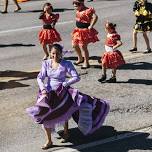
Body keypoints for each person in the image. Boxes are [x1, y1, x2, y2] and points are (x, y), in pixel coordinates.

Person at [26, 43, 110, 150]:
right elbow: (39, 78)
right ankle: (49, 140)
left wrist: (65, 84)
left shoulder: (67, 63)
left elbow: (76, 77)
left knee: (64, 112)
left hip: (61, 92)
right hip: (47, 93)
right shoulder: (46, 63)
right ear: (50, 53)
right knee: (44, 115)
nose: (55, 56)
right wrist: (43, 89)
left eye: (57, 54)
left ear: (61, 54)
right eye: (53, 54)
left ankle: (66, 132)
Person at [72, 0, 99, 69]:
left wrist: (91, 25)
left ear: (81, 4)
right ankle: (80, 58)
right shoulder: (78, 10)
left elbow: (95, 17)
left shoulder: (87, 10)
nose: (75, 7)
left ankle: (86, 62)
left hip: (84, 31)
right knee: (74, 45)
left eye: (77, 5)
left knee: (83, 47)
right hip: (78, 30)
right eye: (74, 5)